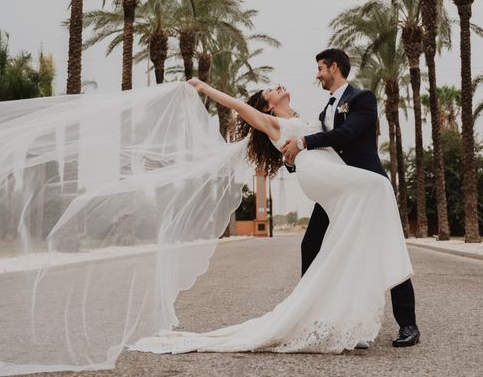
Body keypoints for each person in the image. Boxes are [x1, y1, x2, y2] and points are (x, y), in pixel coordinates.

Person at [130, 67, 416, 354]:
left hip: (335, 176)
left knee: (340, 243)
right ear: (267, 105)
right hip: (321, 175)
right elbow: (238, 106)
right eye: (269, 90)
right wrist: (204, 86)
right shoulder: (271, 122)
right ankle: (320, 317)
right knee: (379, 186)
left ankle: (341, 319)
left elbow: (337, 138)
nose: (276, 86)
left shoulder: (306, 118)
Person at [280, 48, 420, 348]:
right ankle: (310, 316)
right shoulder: (323, 112)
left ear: (334, 67)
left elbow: (347, 134)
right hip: (337, 190)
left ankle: (408, 325)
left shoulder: (362, 99)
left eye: (320, 68)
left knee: (387, 249)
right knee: (311, 244)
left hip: (367, 187)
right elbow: (319, 153)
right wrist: (293, 159)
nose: (317, 74)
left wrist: (303, 142)